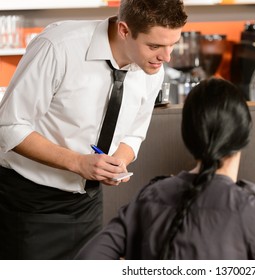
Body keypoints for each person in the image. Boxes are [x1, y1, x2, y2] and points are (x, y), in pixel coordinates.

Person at [0, 0, 187, 259]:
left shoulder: (152, 69)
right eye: (154, 46)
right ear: (124, 30)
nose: (165, 57)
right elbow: (9, 126)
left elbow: (134, 133)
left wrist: (116, 164)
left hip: (88, 204)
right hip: (29, 202)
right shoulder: (58, 47)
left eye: (172, 44)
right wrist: (78, 163)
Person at [75, 78, 255, 260]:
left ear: (188, 137)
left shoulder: (149, 197)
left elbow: (88, 262)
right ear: (243, 136)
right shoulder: (252, 208)